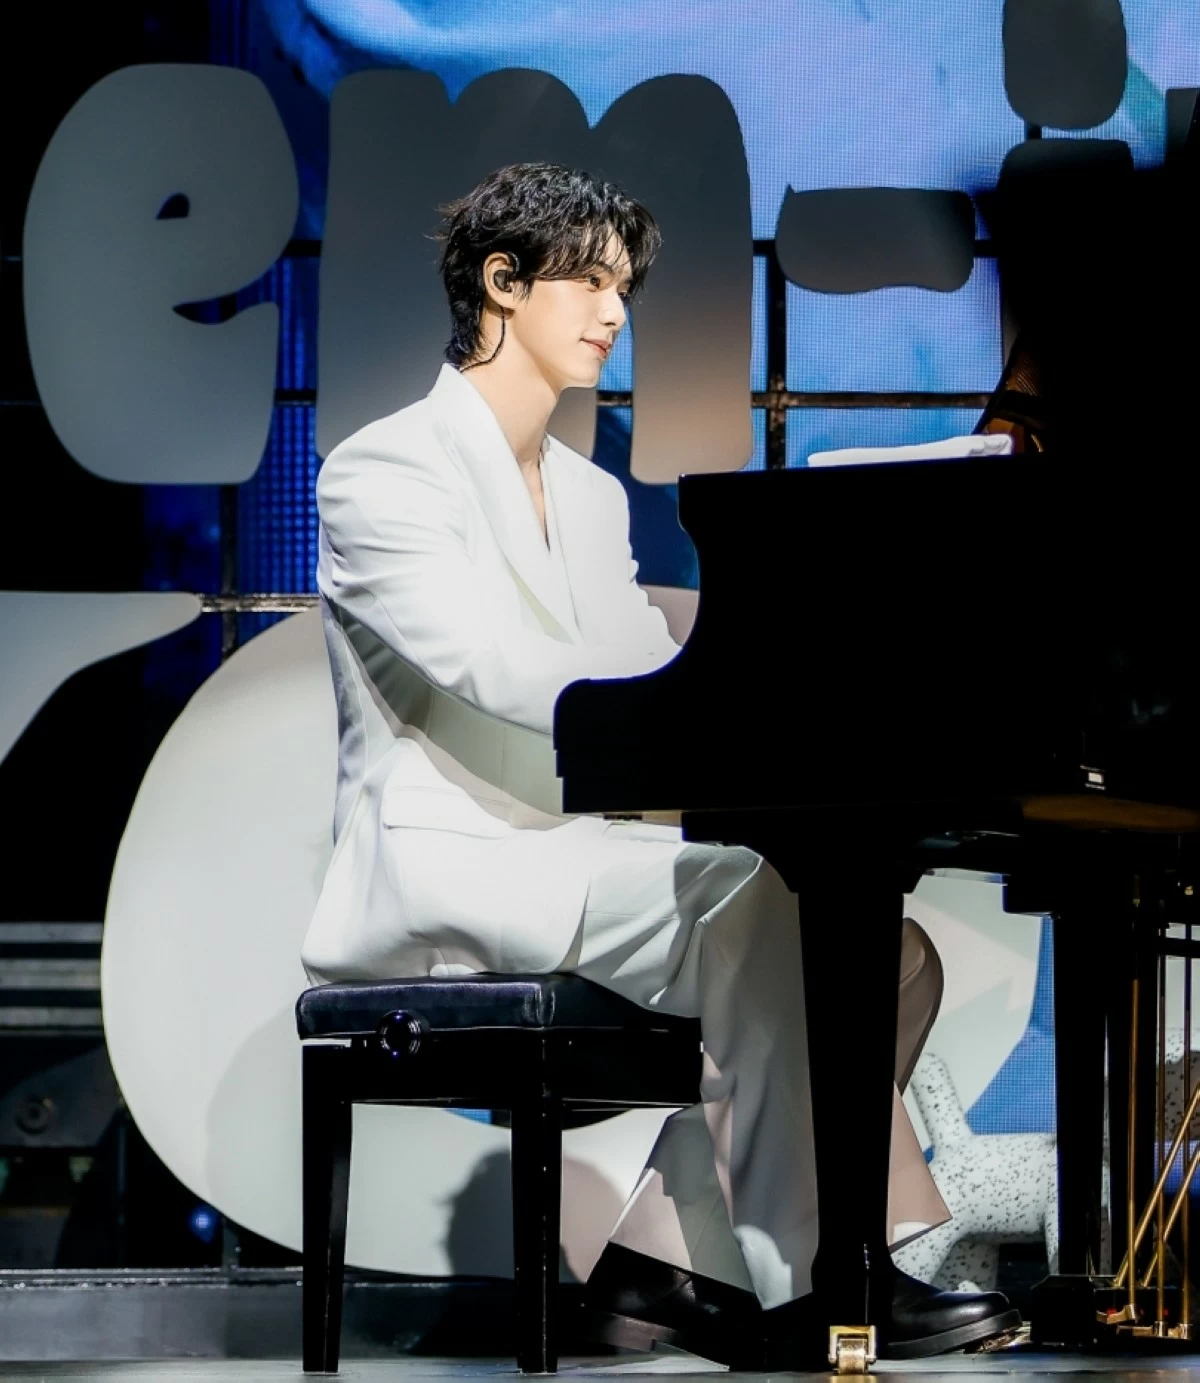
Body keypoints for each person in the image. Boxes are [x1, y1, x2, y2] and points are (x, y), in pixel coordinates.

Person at [301, 161, 1019, 1364]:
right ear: (499, 283)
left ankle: (668, 1255)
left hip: (588, 861)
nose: (613, 311)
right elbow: (491, 669)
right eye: (587, 281)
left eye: (623, 286)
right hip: (463, 869)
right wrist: (689, 716)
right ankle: (818, 1283)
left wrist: (778, 711)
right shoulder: (382, 470)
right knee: (760, 902)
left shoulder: (586, 493)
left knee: (887, 954)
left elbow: (650, 664)